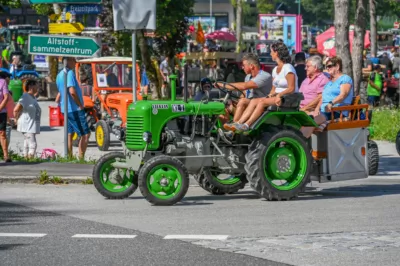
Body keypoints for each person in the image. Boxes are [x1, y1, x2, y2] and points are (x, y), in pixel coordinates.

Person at [224, 42, 297, 133]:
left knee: (261, 102)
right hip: (276, 96)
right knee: (254, 100)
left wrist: (279, 95)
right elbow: (273, 89)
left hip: (287, 97)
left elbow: (291, 88)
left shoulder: (288, 67)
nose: (270, 54)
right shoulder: (275, 69)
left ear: (276, 53)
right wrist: (269, 95)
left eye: (271, 52)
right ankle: (239, 123)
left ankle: (247, 125)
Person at [56, 57, 90, 160]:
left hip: (65, 109)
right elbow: (72, 91)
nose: (75, 63)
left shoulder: (59, 75)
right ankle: (81, 159)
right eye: (74, 60)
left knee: (70, 134)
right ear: (68, 61)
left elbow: (60, 93)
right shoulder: (69, 73)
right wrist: (80, 105)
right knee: (85, 134)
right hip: (74, 109)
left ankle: (69, 157)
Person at [13, 80, 41, 159]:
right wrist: (16, 120)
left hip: (31, 124)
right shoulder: (25, 97)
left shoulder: (33, 97)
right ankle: (30, 160)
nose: (37, 87)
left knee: (27, 144)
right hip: (26, 125)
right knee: (33, 145)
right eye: (36, 85)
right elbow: (16, 109)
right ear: (30, 86)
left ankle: (25, 159)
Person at [0, 71, 11, 162]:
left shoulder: (2, 82)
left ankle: (6, 155)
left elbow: (6, 97)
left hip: (1, 112)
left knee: (2, 133)